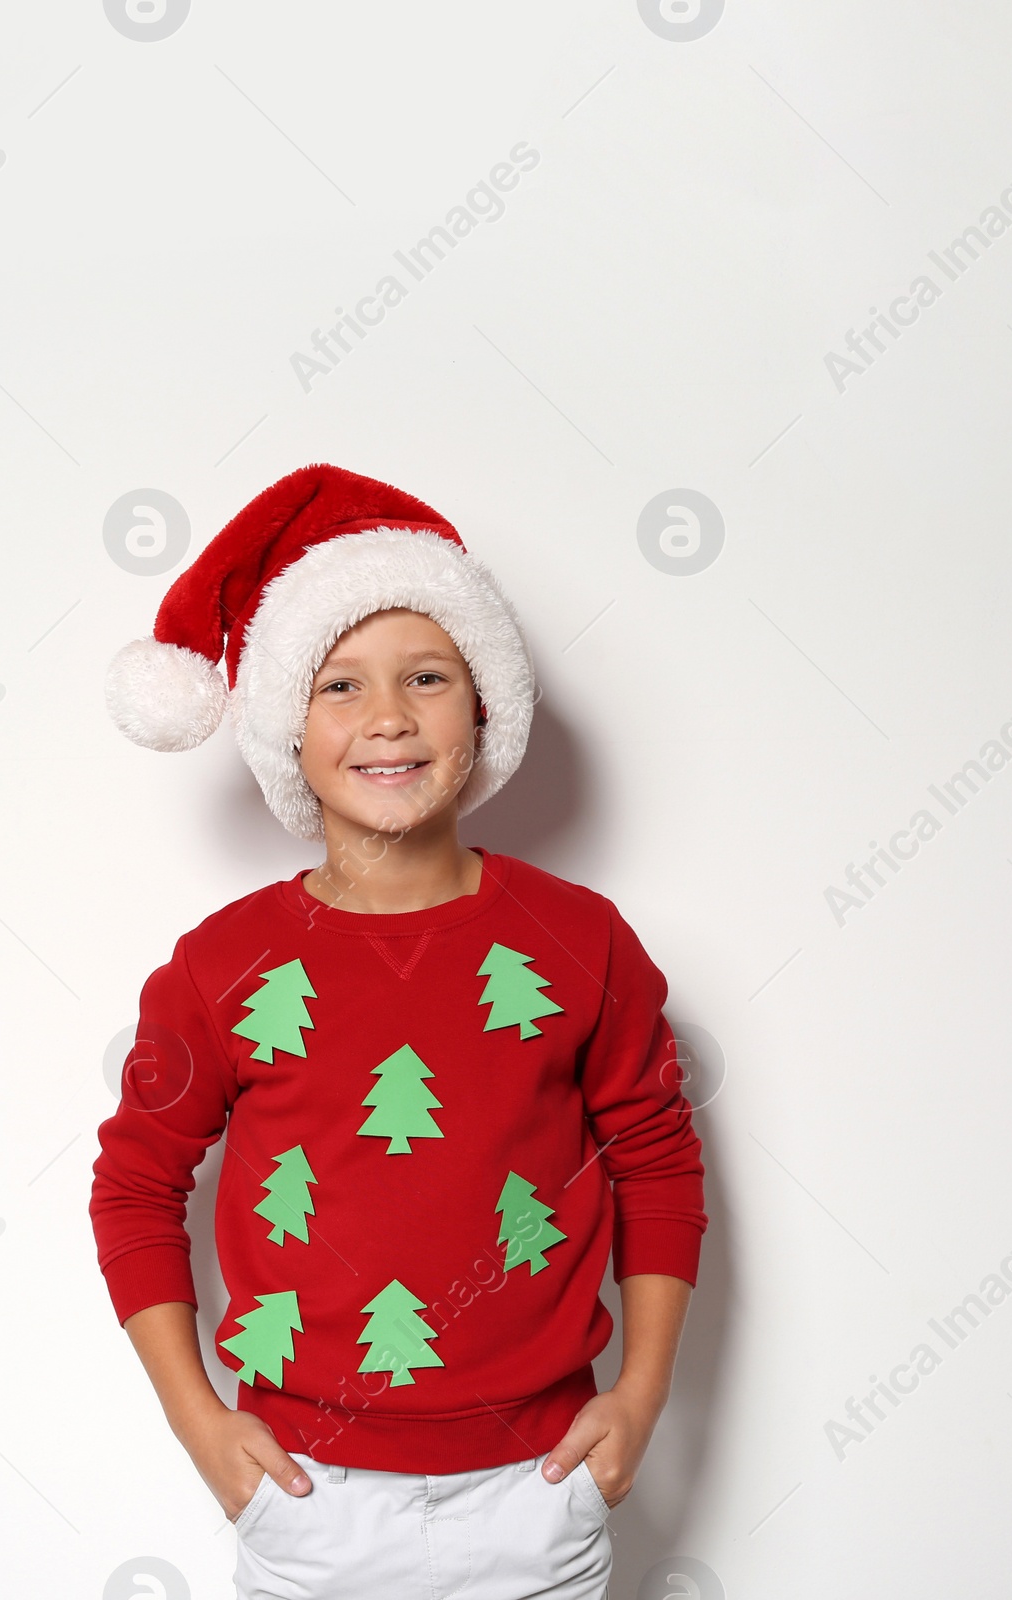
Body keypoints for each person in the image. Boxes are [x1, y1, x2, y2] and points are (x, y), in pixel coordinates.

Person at [90, 462, 708, 1600]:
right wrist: (198, 1422)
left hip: (539, 1482)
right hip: (311, 1499)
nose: (387, 716)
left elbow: (656, 1160)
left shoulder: (580, 940)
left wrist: (641, 1396)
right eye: (339, 685)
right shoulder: (221, 966)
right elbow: (134, 1185)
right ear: (285, 720)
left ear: (483, 705)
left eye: (426, 676)